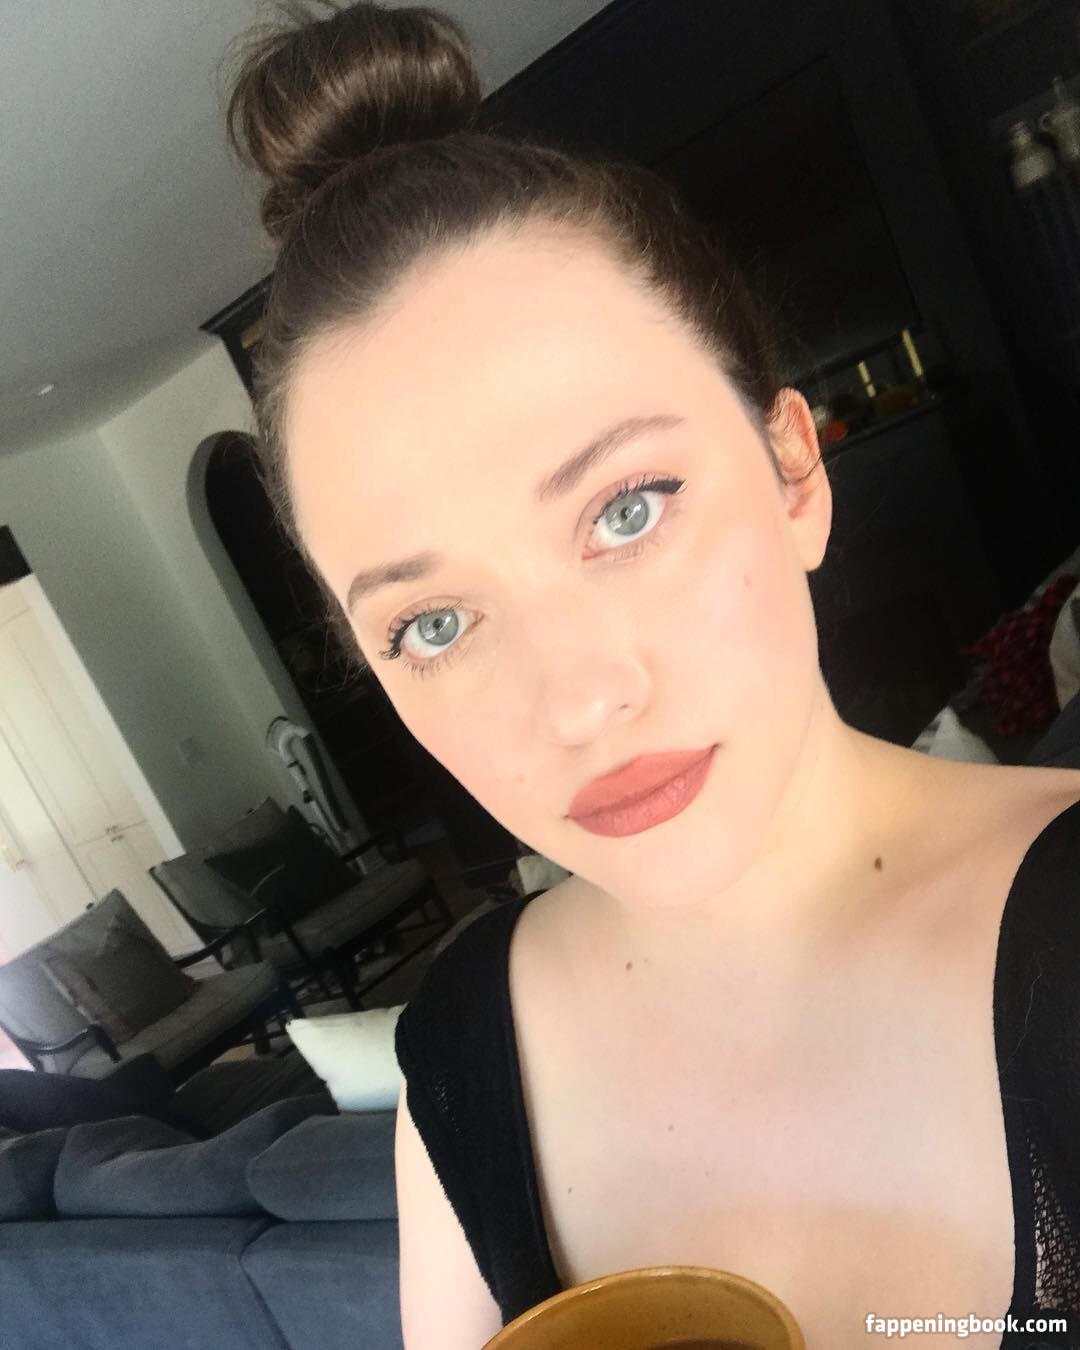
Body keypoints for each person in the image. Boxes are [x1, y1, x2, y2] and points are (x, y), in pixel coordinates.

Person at [223, 4, 1080, 1345]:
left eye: (626, 509)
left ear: (794, 472)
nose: (577, 702)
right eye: (433, 624)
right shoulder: (463, 1050)